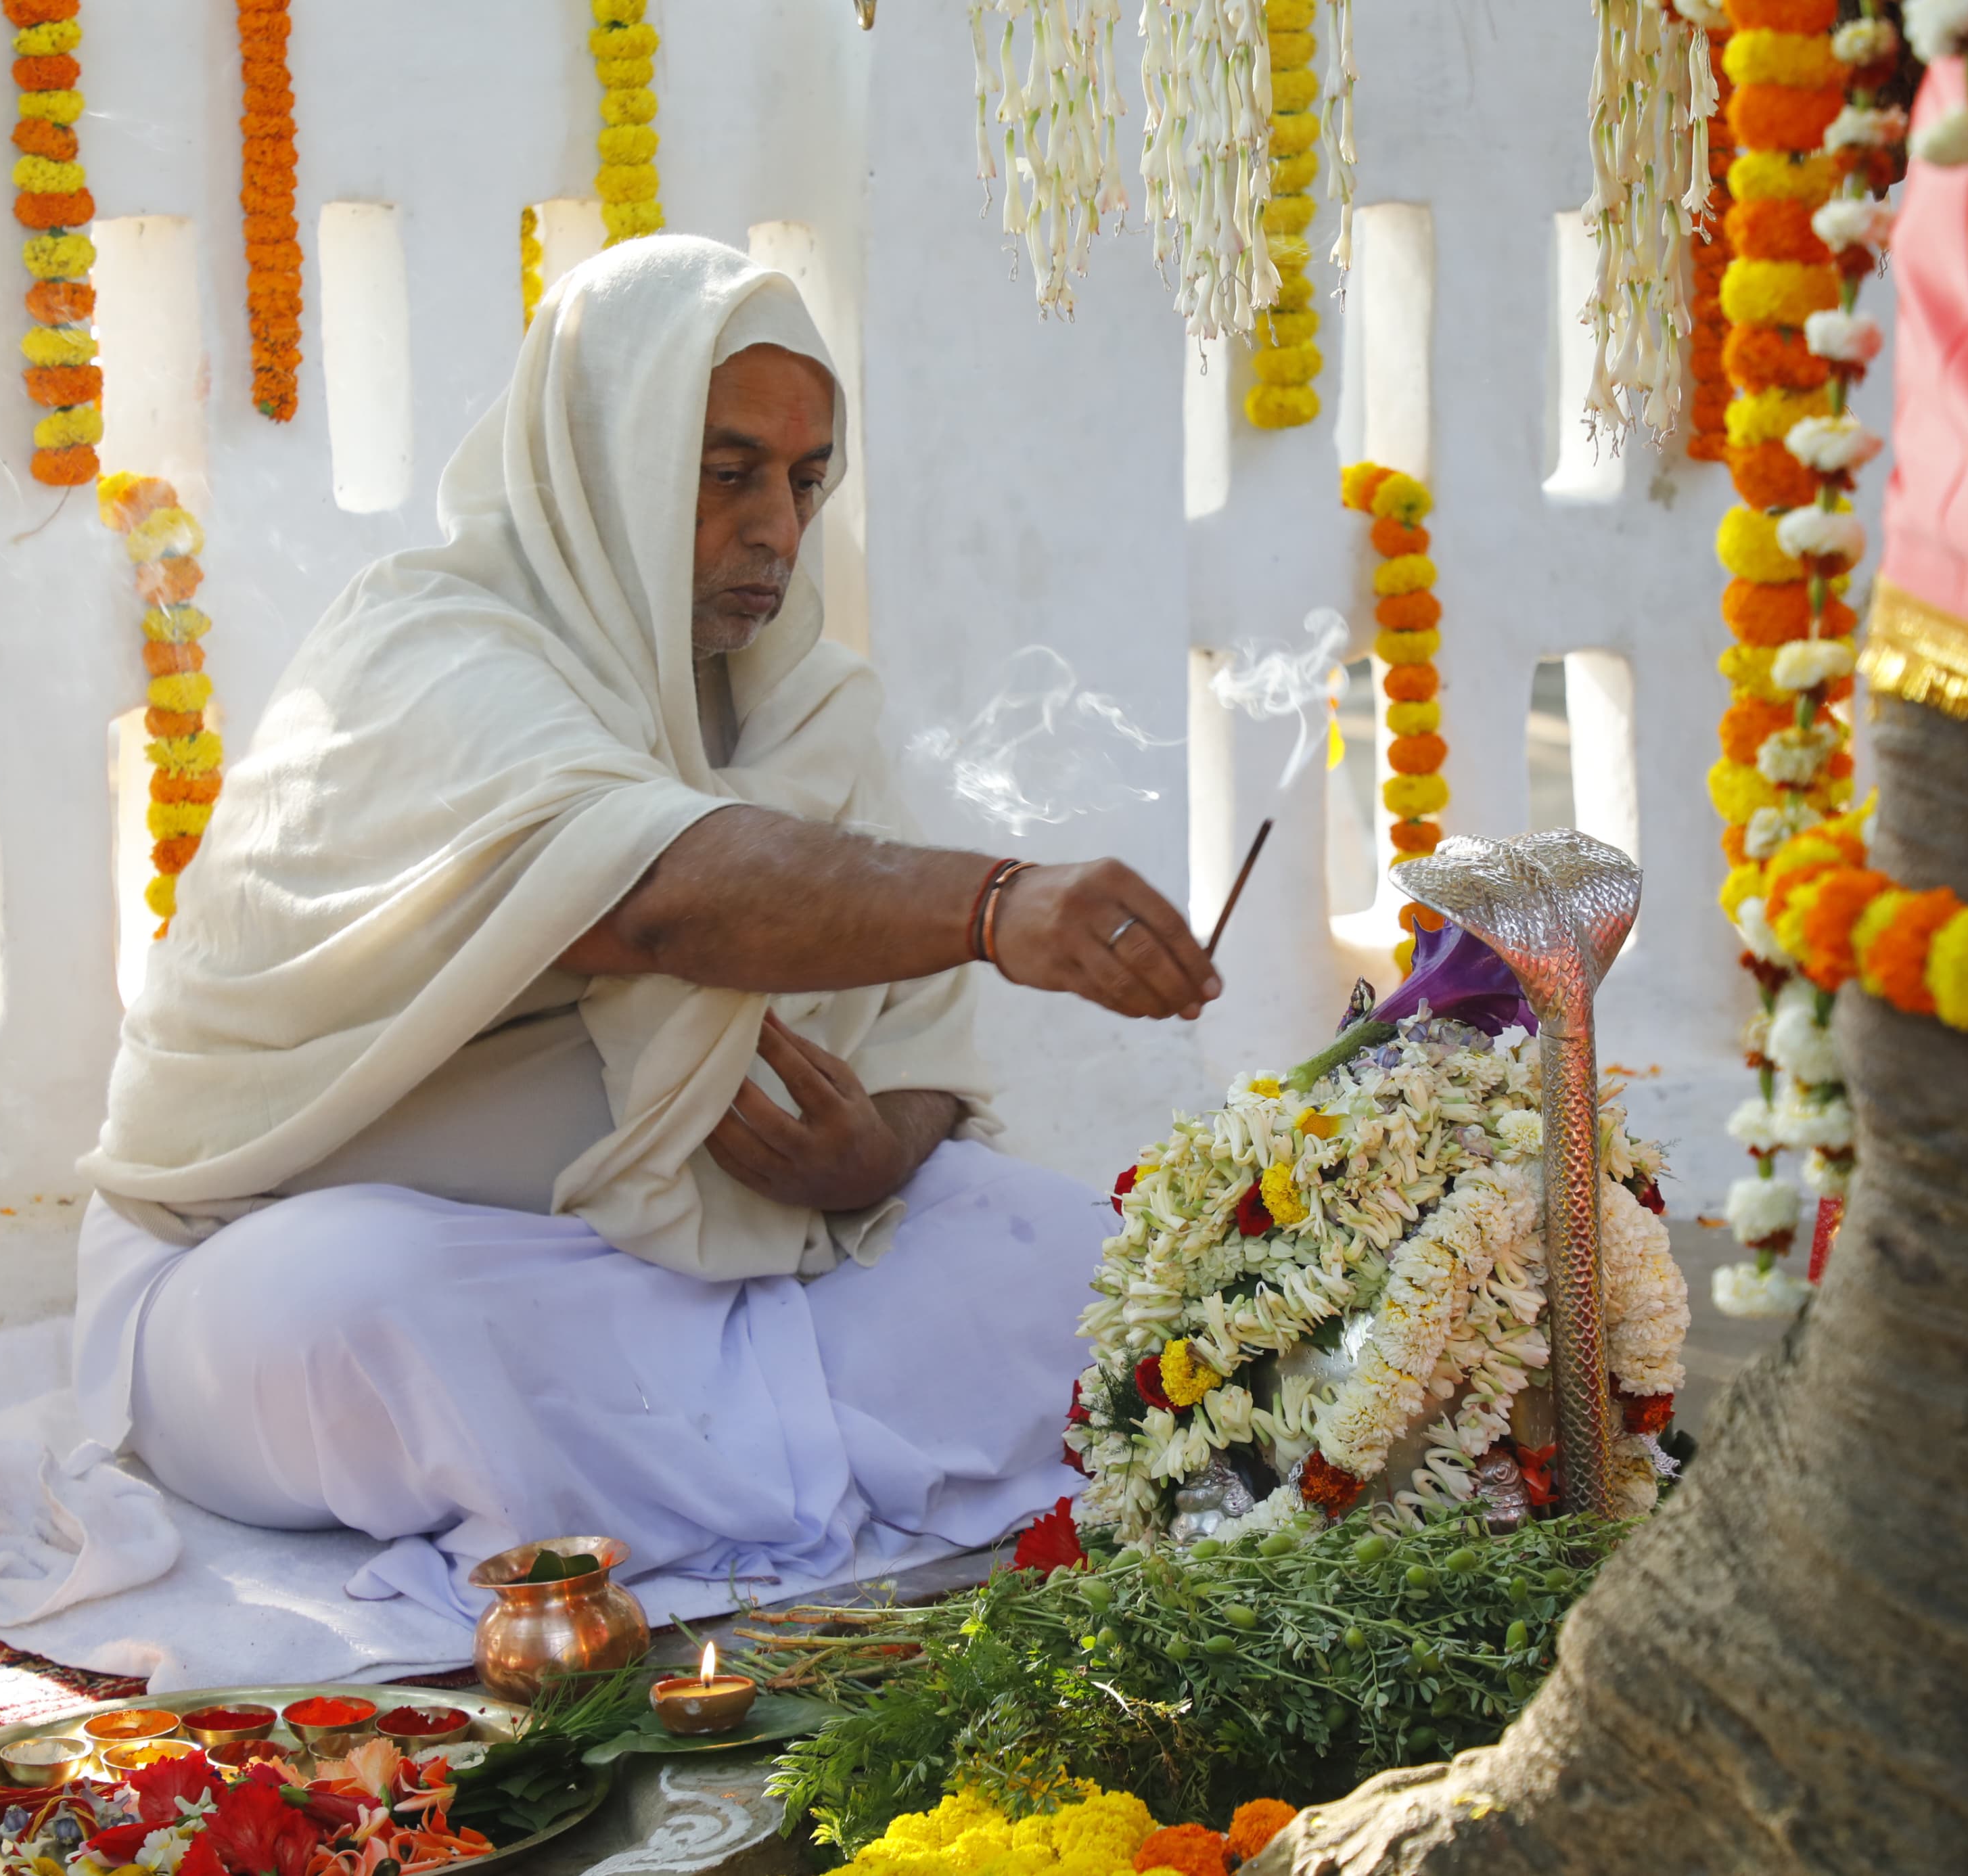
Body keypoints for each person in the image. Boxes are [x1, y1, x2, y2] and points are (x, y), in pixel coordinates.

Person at [70, 235, 1219, 1618]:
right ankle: (779, 1461)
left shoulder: (807, 702)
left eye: (805, 481)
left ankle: (681, 1475)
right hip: (304, 1258)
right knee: (370, 1307)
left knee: (1065, 1257)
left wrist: (872, 1156)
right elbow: (662, 894)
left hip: (708, 1261)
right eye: (725, 471)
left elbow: (919, 1051)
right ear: (603, 455)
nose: (777, 530)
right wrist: (993, 903)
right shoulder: (427, 654)